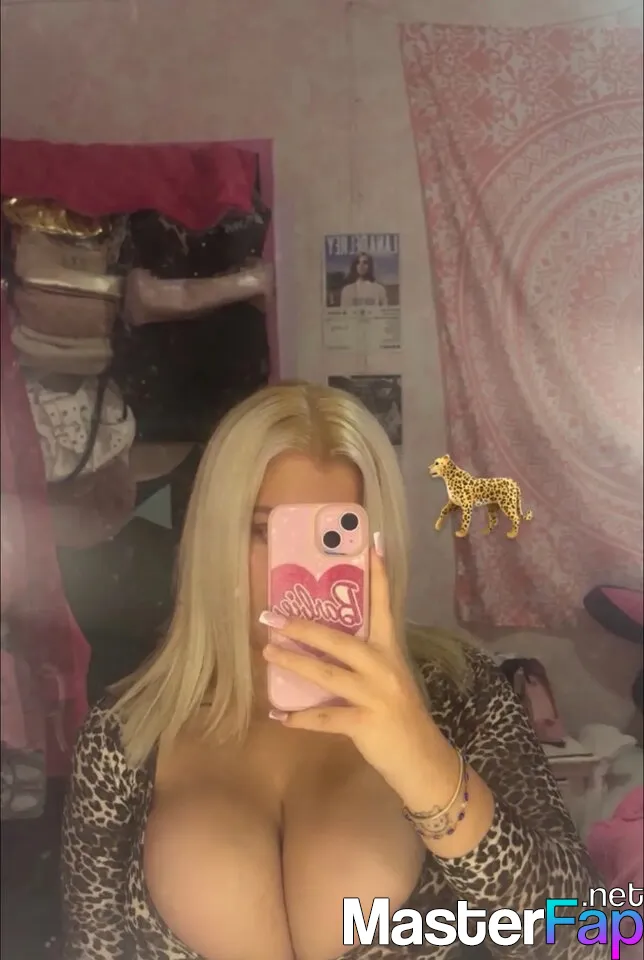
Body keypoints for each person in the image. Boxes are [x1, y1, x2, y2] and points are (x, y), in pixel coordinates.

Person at [62, 382, 604, 960]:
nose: (297, 571)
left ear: (377, 542)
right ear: (214, 534)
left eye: (332, 537)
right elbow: (91, 949)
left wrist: (425, 763)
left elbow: (595, 941)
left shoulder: (458, 690)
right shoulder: (128, 731)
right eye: (265, 530)